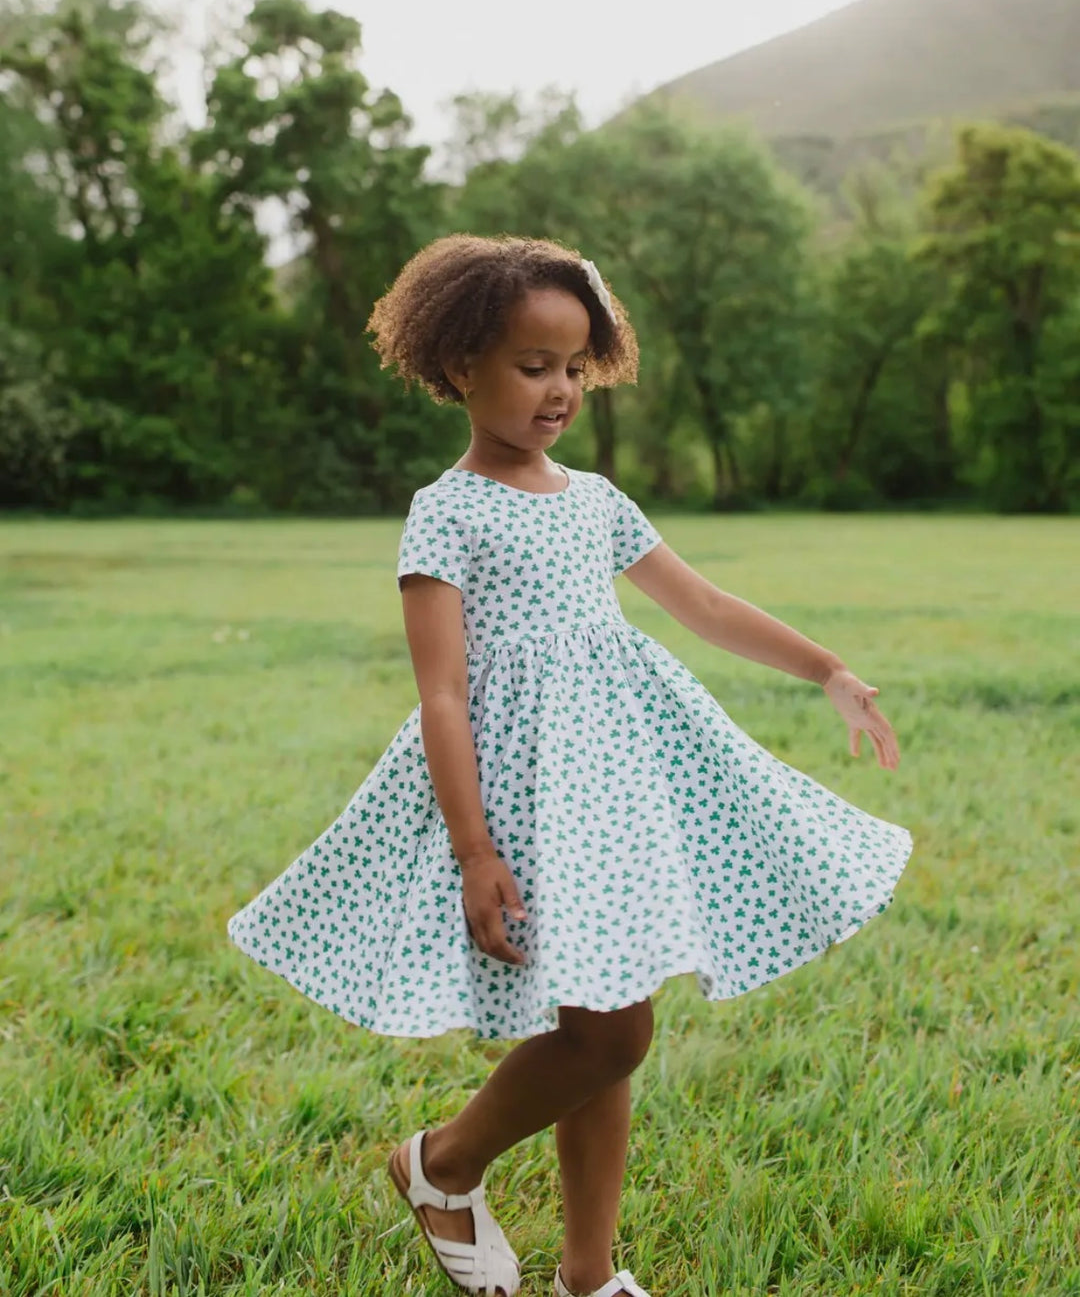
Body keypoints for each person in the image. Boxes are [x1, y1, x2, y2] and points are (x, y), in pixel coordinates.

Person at [226, 233, 914, 1297]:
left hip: (616, 789)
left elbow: (707, 605)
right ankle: (442, 1161)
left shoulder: (595, 499)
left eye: (575, 367)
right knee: (612, 1032)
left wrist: (827, 668)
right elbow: (443, 691)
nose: (558, 390)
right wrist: (472, 849)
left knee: (607, 1013)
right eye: (532, 364)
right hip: (520, 796)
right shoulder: (446, 511)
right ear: (459, 367)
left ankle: (587, 1275)